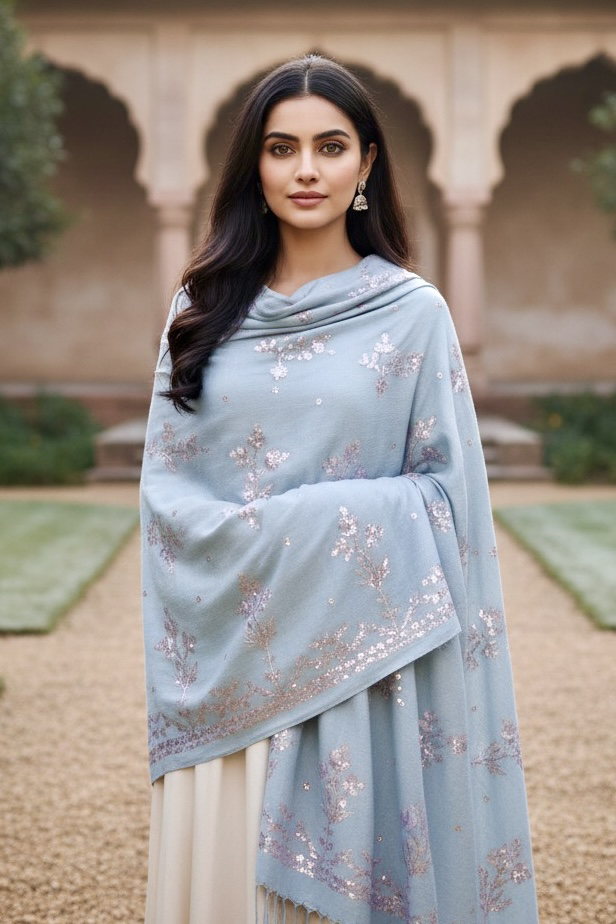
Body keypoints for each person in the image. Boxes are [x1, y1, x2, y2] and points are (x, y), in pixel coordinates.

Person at [140, 53, 539, 924]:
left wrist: (304, 525)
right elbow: (166, 499)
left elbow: (450, 500)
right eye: (282, 148)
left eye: (330, 146)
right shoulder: (201, 312)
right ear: (255, 164)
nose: (307, 170)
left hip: (367, 676)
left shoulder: (412, 314)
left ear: (367, 164)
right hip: (234, 675)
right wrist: (296, 536)